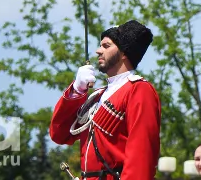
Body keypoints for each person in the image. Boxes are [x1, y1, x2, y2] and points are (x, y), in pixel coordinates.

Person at [50, 20, 160, 179]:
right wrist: (77, 89)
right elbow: (59, 134)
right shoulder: (98, 95)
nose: (98, 51)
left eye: (106, 46)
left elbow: (142, 155)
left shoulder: (139, 90)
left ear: (123, 53)